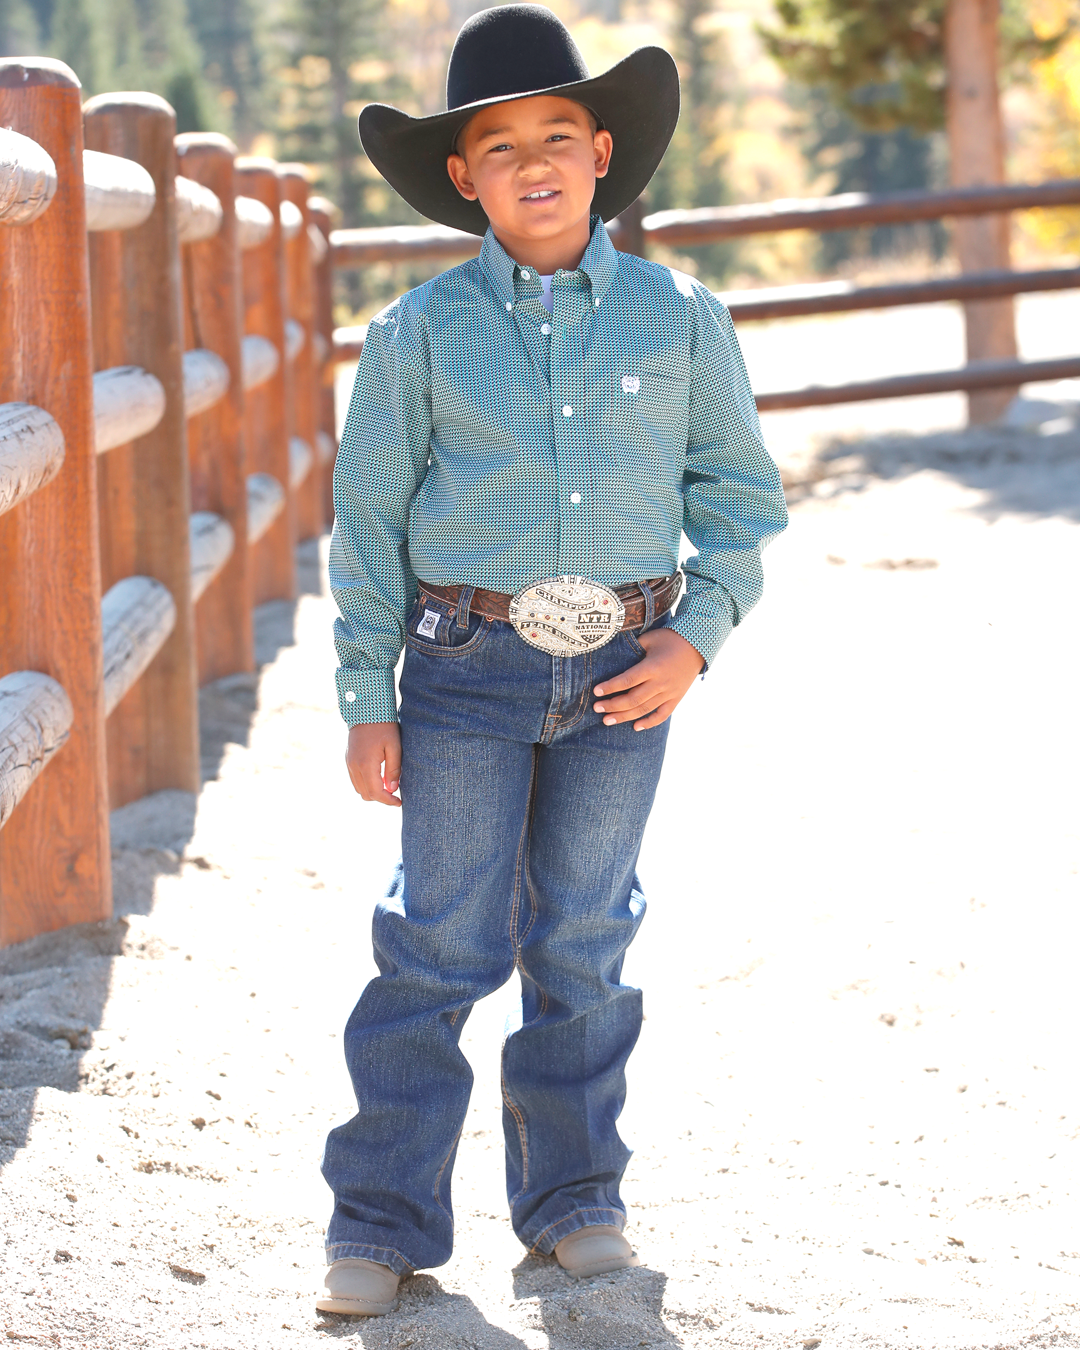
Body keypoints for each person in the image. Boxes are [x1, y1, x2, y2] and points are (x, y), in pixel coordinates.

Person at [317, 3, 787, 1317]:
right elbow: (366, 524)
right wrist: (368, 697)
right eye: (502, 142)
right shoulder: (417, 334)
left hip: (629, 670)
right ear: (462, 175)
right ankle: (380, 1217)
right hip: (464, 664)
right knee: (439, 937)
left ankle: (575, 1200)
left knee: (585, 934)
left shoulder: (680, 319)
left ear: (602, 153)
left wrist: (695, 636)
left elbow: (743, 498)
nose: (534, 160)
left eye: (559, 135)